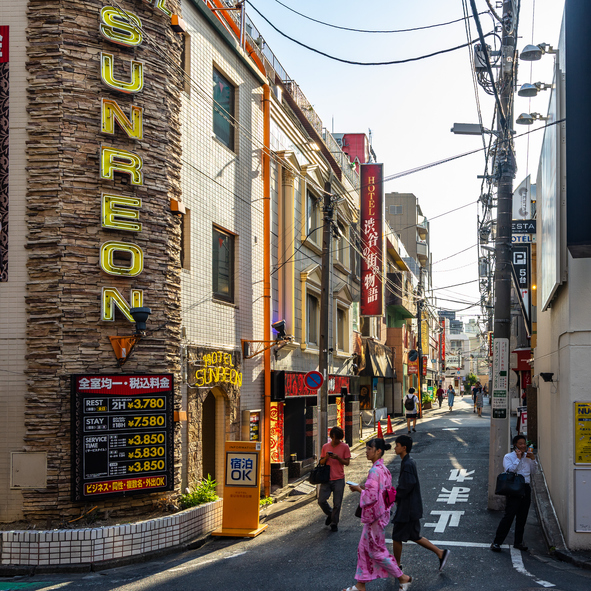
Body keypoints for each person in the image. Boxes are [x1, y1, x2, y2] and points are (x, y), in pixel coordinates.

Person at [344, 439, 413, 591]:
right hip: (380, 514)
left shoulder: (374, 471)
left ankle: (403, 578)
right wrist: (364, 488)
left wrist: (358, 489)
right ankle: (360, 585)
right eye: (367, 448)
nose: (367, 451)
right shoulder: (383, 469)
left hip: (375, 517)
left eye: (370, 448)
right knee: (363, 548)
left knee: (376, 551)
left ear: (378, 451)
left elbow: (370, 496)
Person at [391, 435, 450, 573]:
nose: (395, 447)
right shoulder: (407, 461)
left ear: (404, 448)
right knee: (414, 536)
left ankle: (397, 566)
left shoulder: (408, 463)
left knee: (397, 536)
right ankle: (440, 553)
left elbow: (408, 484)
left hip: (407, 509)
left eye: (397, 445)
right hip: (411, 507)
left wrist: (395, 494)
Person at [491, 435, 537, 552]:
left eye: (524, 443)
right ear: (515, 445)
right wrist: (518, 458)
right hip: (513, 489)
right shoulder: (509, 456)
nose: (523, 446)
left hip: (525, 488)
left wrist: (532, 460)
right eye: (520, 444)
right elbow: (510, 470)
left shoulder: (528, 456)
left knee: (522, 517)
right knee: (509, 516)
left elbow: (533, 472)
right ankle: (497, 542)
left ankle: (518, 542)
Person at [318, 426, 351, 532]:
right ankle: (330, 514)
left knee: (337, 503)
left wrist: (338, 458)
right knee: (321, 500)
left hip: (339, 478)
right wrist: (327, 457)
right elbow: (321, 462)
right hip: (327, 478)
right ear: (331, 436)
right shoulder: (325, 446)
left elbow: (347, 462)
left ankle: (334, 523)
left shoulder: (345, 447)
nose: (336, 441)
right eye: (335, 438)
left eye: (338, 439)